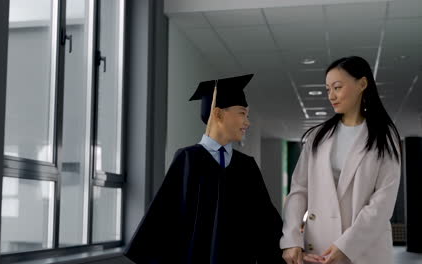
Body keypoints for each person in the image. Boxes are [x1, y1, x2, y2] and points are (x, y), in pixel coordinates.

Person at [125, 74, 284, 263]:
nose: (247, 122)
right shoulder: (188, 159)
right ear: (217, 114)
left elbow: (265, 221)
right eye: (242, 113)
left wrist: (290, 245)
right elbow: (165, 218)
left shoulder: (246, 165)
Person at [280, 56, 401, 264]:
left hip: (365, 249)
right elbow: (299, 190)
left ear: (362, 84)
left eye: (337, 87)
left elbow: (382, 202)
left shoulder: (384, 136)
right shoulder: (317, 136)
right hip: (318, 248)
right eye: (328, 89)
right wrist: (291, 239)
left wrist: (347, 245)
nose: (331, 96)